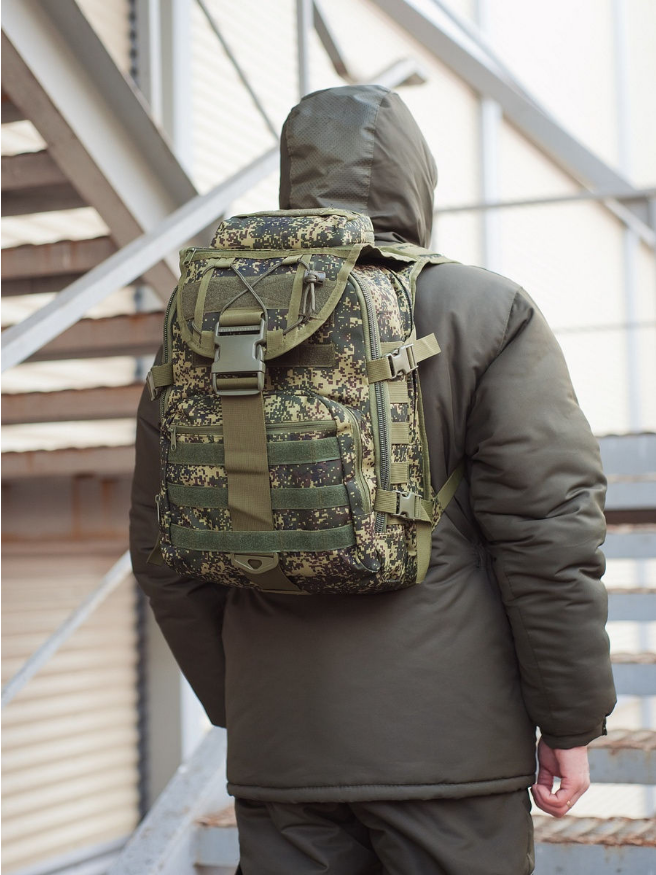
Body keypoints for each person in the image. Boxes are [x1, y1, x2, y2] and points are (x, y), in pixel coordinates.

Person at [130, 85, 616, 875]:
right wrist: (569, 717)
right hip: (451, 752)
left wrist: (244, 706)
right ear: (415, 180)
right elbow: (549, 532)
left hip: (279, 749)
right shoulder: (481, 309)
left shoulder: (208, 320)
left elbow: (161, 547)